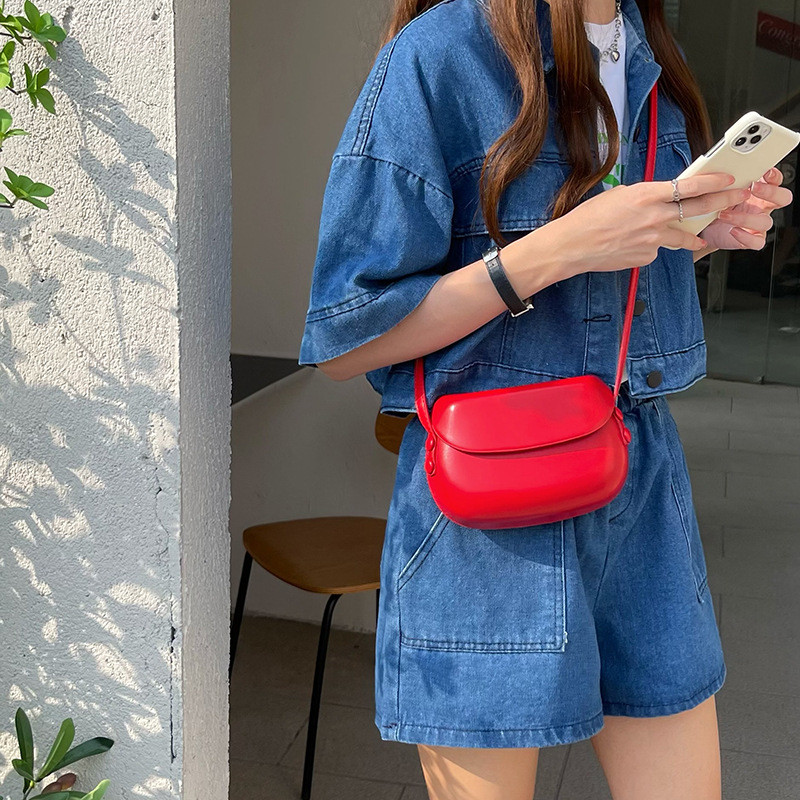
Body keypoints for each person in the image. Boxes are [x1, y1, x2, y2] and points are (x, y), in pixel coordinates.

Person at [297, 1, 792, 797]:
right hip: (490, 506)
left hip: (636, 479)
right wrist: (557, 249)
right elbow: (345, 340)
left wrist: (698, 233)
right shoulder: (443, 54)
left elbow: (610, 288)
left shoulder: (646, 51)